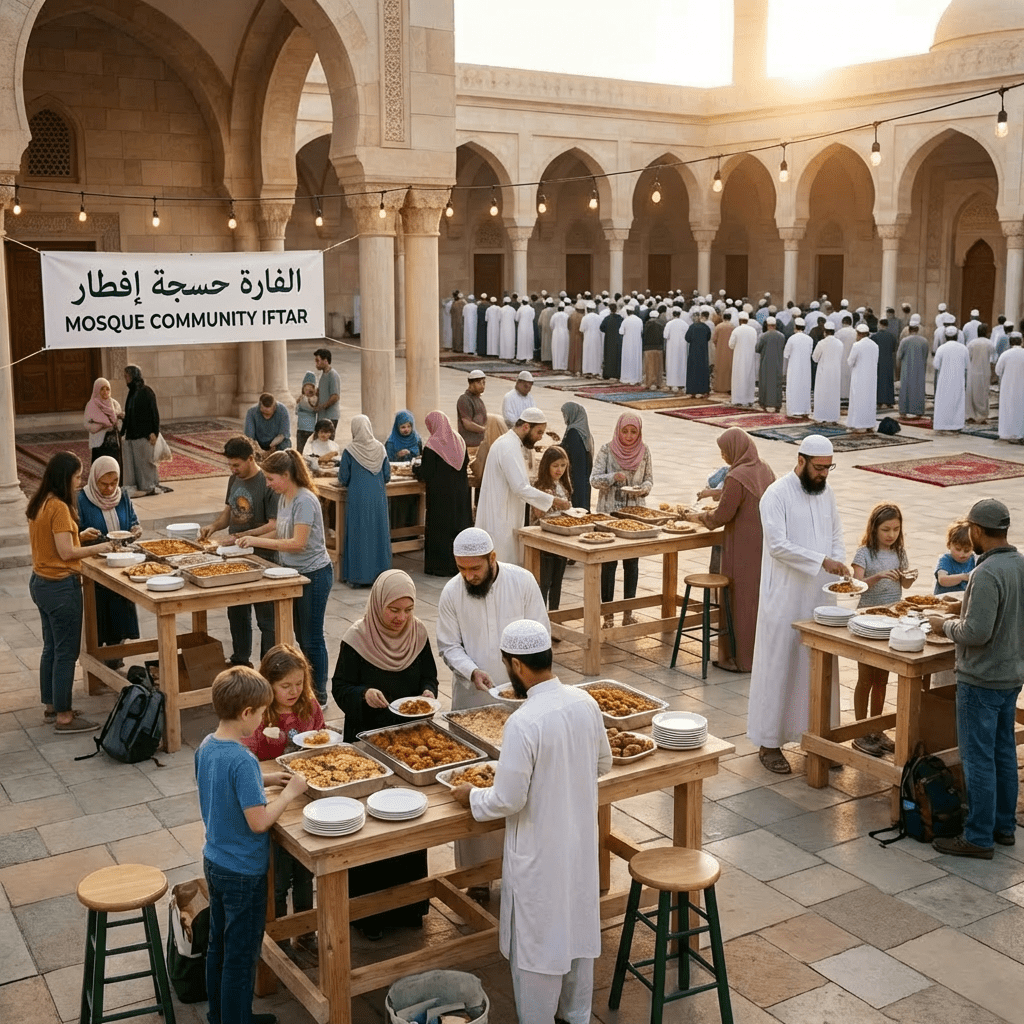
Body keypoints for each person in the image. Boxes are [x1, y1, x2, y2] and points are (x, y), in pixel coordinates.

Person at [451, 619, 611, 1024]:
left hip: (539, 855)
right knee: (576, 933)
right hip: (576, 845)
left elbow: (507, 798)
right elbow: (603, 763)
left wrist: (471, 795)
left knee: (538, 947)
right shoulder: (585, 702)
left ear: (517, 666)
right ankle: (576, 1017)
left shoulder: (525, 721)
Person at [436, 528, 549, 898]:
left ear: (492, 558)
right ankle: (476, 878)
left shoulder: (523, 581)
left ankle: (519, 869)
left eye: (475, 569)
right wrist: (472, 671)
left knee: (518, 784)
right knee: (475, 779)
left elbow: (540, 636)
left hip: (521, 700)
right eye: (462, 569)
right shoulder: (453, 591)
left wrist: (523, 682)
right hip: (472, 700)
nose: (469, 576)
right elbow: (448, 645)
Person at [196, 667, 306, 1024]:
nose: (261, 720)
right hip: (244, 871)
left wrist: (268, 776)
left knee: (218, 947)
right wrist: (289, 793)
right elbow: (258, 822)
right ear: (247, 713)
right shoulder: (243, 759)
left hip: (215, 861)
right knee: (241, 958)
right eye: (260, 713)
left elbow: (223, 781)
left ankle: (222, 1015)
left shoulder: (207, 746)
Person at [332, 570, 439, 933]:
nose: (400, 618)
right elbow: (340, 687)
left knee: (409, 824)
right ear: (379, 604)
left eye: (408, 610)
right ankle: (369, 918)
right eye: (394, 609)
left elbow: (430, 675)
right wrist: (362, 695)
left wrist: (426, 693)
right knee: (373, 831)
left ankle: (409, 909)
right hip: (369, 744)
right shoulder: (358, 639)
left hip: (410, 744)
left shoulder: (418, 634)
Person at [927, 499, 1024, 859]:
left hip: (981, 679)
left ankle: (978, 837)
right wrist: (963, 605)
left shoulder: (986, 573)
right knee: (1003, 753)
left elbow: (976, 633)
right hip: (1010, 675)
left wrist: (944, 623)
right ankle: (1003, 827)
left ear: (978, 531)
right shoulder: (1018, 564)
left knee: (978, 758)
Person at [747, 435, 849, 774]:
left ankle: (820, 740)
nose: (824, 474)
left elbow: (836, 533)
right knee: (781, 665)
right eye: (819, 468)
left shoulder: (827, 492)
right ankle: (770, 742)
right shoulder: (775, 495)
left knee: (819, 668)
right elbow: (778, 545)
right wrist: (822, 561)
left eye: (828, 468)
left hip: (821, 595)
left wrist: (838, 564)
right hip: (786, 597)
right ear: (801, 460)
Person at [242, 645, 323, 959]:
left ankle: (305, 932)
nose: (294, 691)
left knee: (305, 871)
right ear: (268, 685)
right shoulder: (260, 713)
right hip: (272, 798)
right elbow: (246, 753)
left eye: (299, 684)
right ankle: (276, 940)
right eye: (285, 686)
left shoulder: (309, 707)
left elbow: (321, 735)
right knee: (277, 876)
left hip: (304, 796)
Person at [238, 450, 333, 706]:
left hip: (314, 573)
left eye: (271, 478)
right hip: (293, 573)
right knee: (299, 636)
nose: (268, 484)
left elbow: (298, 543)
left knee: (312, 638)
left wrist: (256, 541)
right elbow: (277, 530)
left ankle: (320, 695)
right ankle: (306, 691)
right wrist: (246, 538)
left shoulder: (305, 500)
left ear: (286, 475)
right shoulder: (284, 497)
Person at [28, 452, 113, 733]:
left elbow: (56, 541)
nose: (79, 482)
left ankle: (52, 705)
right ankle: (65, 716)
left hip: (40, 582)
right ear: (65, 478)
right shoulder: (60, 508)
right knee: (66, 652)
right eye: (77, 476)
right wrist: (99, 547)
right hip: (60, 586)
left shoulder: (41, 502)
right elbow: (66, 553)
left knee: (51, 647)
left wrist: (80, 534)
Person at [686, 429, 775, 672]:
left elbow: (722, 515)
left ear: (735, 450)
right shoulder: (764, 468)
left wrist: (698, 517)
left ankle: (737, 659)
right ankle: (757, 657)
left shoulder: (737, 476)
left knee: (737, 600)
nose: (724, 456)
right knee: (756, 600)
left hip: (741, 545)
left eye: (725, 451)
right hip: (764, 542)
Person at [199, 436, 279, 667]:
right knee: (237, 611)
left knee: (266, 618)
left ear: (250, 459)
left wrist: (246, 537)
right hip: (234, 553)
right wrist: (213, 527)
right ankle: (240, 659)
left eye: (237, 465)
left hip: (262, 555)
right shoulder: (234, 479)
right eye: (230, 465)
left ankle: (269, 665)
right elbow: (229, 512)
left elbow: (274, 525)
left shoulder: (266, 481)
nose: (233, 470)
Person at [850, 504, 912, 757]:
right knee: (865, 677)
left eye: (896, 529)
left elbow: (906, 583)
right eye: (886, 529)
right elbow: (856, 584)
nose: (891, 534)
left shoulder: (900, 552)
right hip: (867, 620)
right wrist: (878, 577)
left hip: (891, 619)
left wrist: (906, 578)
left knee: (882, 679)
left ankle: (876, 728)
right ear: (874, 528)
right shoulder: (864, 553)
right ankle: (859, 729)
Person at [476, 408, 568, 565]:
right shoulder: (508, 447)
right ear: (526, 427)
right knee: (502, 564)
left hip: (503, 513)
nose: (540, 438)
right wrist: (554, 500)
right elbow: (520, 487)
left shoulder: (510, 443)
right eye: (539, 432)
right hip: (500, 518)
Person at [77, 456, 141, 666]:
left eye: (114, 482)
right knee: (101, 613)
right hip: (97, 565)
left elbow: (132, 521)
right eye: (104, 484)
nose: (109, 488)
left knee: (121, 609)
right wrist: (83, 535)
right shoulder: (82, 500)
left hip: (121, 563)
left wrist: (135, 529)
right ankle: (100, 658)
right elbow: (73, 533)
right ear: (95, 480)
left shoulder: (122, 495)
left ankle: (116, 656)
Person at [591, 413, 653, 629]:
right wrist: (612, 477)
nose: (628, 436)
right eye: (624, 431)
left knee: (632, 564)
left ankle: (628, 613)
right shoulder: (607, 450)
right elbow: (594, 480)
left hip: (634, 516)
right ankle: (608, 616)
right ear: (618, 430)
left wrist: (643, 489)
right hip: (609, 515)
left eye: (633, 431)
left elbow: (648, 479)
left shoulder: (644, 452)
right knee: (609, 565)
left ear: (639, 433)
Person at [335, 415, 391, 586]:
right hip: (378, 497)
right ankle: (381, 576)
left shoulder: (350, 451)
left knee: (359, 533)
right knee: (377, 533)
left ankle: (358, 577)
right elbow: (387, 476)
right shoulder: (380, 448)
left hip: (358, 498)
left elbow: (343, 478)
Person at [416, 411, 472, 576]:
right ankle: (461, 565)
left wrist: (414, 469)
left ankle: (439, 567)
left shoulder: (433, 445)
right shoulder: (459, 441)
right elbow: (466, 462)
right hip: (460, 494)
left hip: (441, 498)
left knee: (441, 530)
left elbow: (426, 472)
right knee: (458, 528)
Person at [530, 447, 572, 612]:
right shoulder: (540, 486)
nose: (559, 470)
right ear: (547, 466)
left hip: (561, 536)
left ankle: (555, 615)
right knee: (544, 580)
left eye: (563, 465)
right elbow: (537, 513)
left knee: (557, 580)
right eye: (555, 465)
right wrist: (550, 500)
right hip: (545, 539)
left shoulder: (563, 485)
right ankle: (540, 615)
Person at [121, 364, 163, 497]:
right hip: (132, 434)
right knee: (134, 465)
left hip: (144, 435)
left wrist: (154, 432)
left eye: (127, 376)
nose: (126, 379)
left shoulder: (146, 391)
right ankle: (139, 487)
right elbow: (129, 414)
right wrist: (123, 432)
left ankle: (149, 486)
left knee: (145, 463)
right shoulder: (131, 393)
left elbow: (154, 413)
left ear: (134, 376)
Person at [933, 329, 969, 432]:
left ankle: (942, 424)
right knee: (957, 402)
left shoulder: (941, 349)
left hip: (944, 381)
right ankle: (956, 425)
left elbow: (936, 365)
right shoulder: (964, 349)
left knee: (943, 402)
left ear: (945, 336)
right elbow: (967, 366)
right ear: (957, 336)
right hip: (958, 381)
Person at [560, 402, 593, 511]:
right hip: (584, 475)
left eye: (565, 414)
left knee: (576, 507)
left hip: (575, 475)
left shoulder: (574, 432)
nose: (565, 418)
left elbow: (568, 453)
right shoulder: (585, 433)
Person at [846, 323, 878, 432]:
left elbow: (850, 362)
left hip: (859, 378)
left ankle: (857, 424)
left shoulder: (857, 345)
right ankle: (869, 424)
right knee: (869, 400)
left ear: (859, 334)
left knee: (857, 400)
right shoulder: (875, 345)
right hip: (871, 379)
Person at [84, 377, 123, 468]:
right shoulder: (91, 405)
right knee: (100, 467)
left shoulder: (114, 404)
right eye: (102, 389)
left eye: (107, 389)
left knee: (114, 466)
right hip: (99, 443)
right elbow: (87, 424)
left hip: (113, 442)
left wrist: (118, 420)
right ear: (97, 390)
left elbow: (119, 422)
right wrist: (101, 425)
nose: (105, 392)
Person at [811, 323, 843, 425]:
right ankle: (833, 417)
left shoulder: (821, 343)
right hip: (835, 372)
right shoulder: (839, 343)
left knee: (822, 394)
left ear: (825, 332)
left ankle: (821, 417)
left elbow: (814, 358)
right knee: (833, 394)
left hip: (823, 373)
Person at [934, 519, 976, 595]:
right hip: (944, 601)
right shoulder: (945, 559)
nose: (961, 554)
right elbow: (942, 580)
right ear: (949, 545)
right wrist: (963, 577)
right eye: (958, 549)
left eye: (967, 550)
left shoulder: (974, 560)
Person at [896, 323, 929, 418]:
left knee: (905, 390)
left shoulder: (904, 341)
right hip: (920, 371)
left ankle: (903, 411)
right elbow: (925, 356)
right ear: (917, 329)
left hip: (907, 370)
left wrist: (898, 372)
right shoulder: (924, 341)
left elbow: (899, 356)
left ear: (909, 330)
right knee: (919, 390)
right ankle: (918, 412)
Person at [995, 332, 1024, 440]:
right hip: (1022, 387)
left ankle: (1006, 433)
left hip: (1008, 386)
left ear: (1010, 342)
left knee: (1007, 408)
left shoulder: (1006, 354)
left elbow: (998, 371)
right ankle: (1020, 433)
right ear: (1021, 341)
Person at [468, 414, 507, 490]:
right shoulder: (509, 446)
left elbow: (478, 470)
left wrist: (471, 463)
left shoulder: (486, 446)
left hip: (489, 490)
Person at [966, 325, 995, 423]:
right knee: (983, 393)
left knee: (972, 393)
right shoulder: (989, 343)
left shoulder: (972, 343)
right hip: (985, 372)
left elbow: (968, 357)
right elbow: (992, 358)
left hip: (973, 372)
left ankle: (972, 415)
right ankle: (982, 415)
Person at [755, 316, 785, 410]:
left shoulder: (763, 336)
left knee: (765, 383)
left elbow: (757, 349)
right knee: (777, 383)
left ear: (767, 325)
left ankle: (764, 403)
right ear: (775, 325)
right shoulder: (781, 336)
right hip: (777, 363)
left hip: (766, 364)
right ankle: (777, 404)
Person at [783, 318, 812, 417]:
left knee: (793, 387)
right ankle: (804, 410)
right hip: (806, 369)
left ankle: (793, 410)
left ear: (795, 327)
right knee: (804, 387)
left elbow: (786, 354)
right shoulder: (809, 339)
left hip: (794, 368)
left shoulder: (792, 338)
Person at [729, 312, 758, 405]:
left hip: (739, 358)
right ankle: (749, 399)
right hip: (750, 358)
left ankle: (738, 400)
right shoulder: (753, 330)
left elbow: (731, 345)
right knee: (749, 377)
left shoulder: (736, 330)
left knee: (739, 377)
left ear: (739, 320)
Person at [456, 369, 488, 446]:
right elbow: (467, 424)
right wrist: (485, 430)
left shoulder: (478, 400)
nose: (482, 386)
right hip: (469, 445)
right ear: (470, 383)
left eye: (483, 383)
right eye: (478, 383)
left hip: (480, 444)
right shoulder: (464, 399)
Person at [685, 309, 711, 397]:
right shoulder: (705, 327)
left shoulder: (692, 327)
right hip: (703, 352)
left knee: (693, 370)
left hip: (693, 352)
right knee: (702, 370)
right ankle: (703, 390)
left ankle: (692, 391)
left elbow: (687, 338)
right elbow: (708, 337)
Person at [312, 348, 341, 429]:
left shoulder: (333, 375)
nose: (316, 363)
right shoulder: (323, 375)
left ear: (325, 360)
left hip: (330, 416)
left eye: (318, 361)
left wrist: (322, 406)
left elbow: (335, 396)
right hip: (323, 416)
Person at [873, 318, 898, 408]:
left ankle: (879, 400)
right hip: (888, 361)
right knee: (888, 381)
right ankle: (888, 400)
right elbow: (894, 349)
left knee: (879, 381)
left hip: (878, 361)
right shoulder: (892, 336)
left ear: (880, 324)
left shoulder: (875, 336)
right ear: (887, 326)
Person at [664, 307, 688, 391]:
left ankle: (672, 383)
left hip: (671, 348)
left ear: (673, 314)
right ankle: (682, 383)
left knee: (672, 364)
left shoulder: (669, 324)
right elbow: (687, 337)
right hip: (682, 348)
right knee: (681, 364)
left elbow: (665, 336)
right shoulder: (685, 324)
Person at [618, 304, 643, 385]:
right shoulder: (639, 320)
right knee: (636, 359)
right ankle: (636, 378)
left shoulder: (625, 320)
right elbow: (641, 331)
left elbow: (621, 332)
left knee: (627, 359)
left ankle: (626, 378)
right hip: (637, 344)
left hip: (627, 344)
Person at [712, 309, 735, 395]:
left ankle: (719, 387)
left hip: (720, 351)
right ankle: (728, 387)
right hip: (730, 351)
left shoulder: (718, 327)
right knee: (729, 368)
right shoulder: (733, 327)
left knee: (720, 368)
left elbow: (714, 339)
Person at [295, 373, 319, 456]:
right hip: (301, 428)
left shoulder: (314, 399)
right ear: (303, 389)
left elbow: (312, 406)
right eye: (306, 388)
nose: (308, 391)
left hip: (310, 430)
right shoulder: (301, 398)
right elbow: (296, 410)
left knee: (308, 450)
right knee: (299, 451)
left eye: (311, 389)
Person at [641, 309, 665, 389]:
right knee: (658, 367)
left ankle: (649, 383)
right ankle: (658, 383)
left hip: (648, 348)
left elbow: (643, 336)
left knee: (649, 366)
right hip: (658, 348)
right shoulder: (661, 325)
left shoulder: (646, 325)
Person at [601, 301, 623, 380]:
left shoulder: (607, 319)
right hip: (617, 340)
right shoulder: (620, 318)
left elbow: (601, 327)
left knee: (608, 356)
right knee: (617, 356)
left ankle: (608, 374)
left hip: (609, 340)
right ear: (616, 309)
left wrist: (607, 331)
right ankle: (617, 374)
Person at [581, 302, 603, 376]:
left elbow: (581, 329)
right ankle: (596, 370)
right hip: (597, 338)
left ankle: (587, 370)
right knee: (596, 353)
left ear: (587, 309)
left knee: (588, 353)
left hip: (588, 338)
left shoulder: (585, 318)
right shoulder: (599, 317)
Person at [550, 303, 570, 371]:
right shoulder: (567, 315)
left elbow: (551, 325)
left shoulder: (554, 315)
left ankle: (556, 366)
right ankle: (563, 366)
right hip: (565, 334)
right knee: (564, 349)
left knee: (556, 349)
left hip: (556, 334)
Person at [515, 297, 535, 362]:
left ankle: (521, 356)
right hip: (529, 327)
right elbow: (532, 318)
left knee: (522, 341)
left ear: (522, 302)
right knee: (529, 341)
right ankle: (529, 357)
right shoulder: (532, 309)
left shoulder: (520, 309)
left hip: (522, 327)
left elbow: (516, 319)